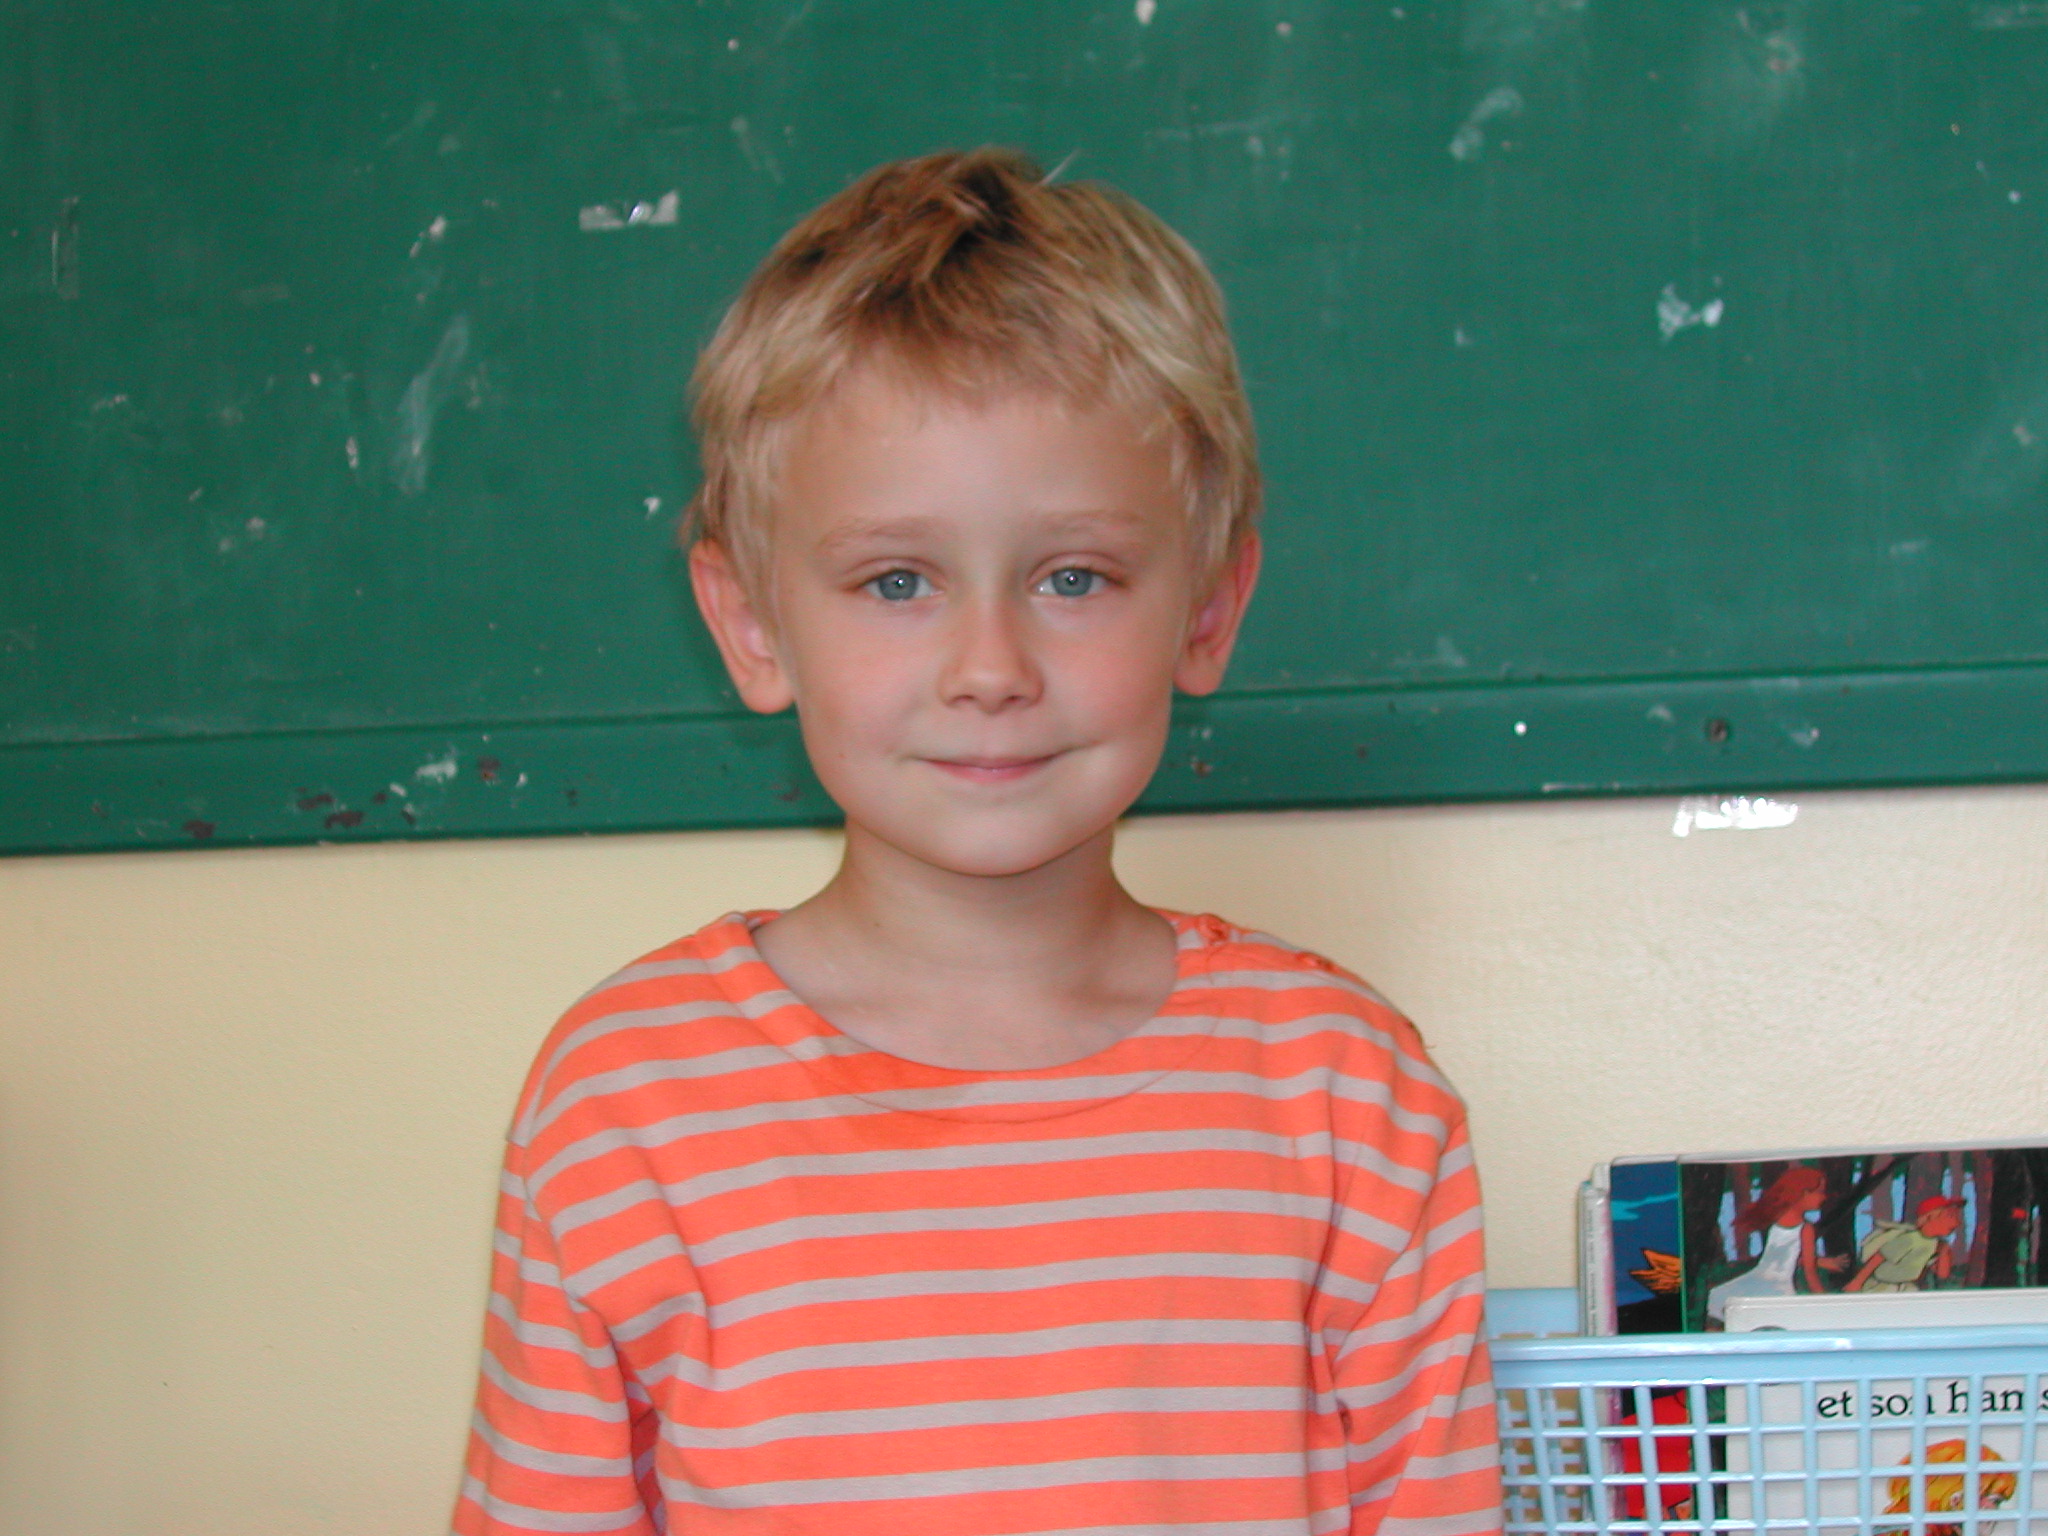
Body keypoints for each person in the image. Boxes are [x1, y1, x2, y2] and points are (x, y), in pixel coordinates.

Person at [450, 148, 1500, 1536]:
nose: (990, 667)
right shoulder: (626, 1108)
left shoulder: (1348, 1099)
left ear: (1206, 610)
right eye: (897, 580)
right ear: (752, 624)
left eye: (1074, 576)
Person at [1704, 1166, 1848, 1325]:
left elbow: (1784, 1256)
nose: (1823, 1197)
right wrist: (1825, 1301)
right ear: (1803, 1192)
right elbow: (1810, 1273)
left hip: (1759, 1279)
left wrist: (1821, 1262)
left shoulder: (1778, 1221)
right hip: (1778, 1287)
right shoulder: (1806, 1229)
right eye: (1819, 1191)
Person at [1847, 1195, 1965, 1293]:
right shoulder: (1910, 1238)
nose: (1957, 1222)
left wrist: (1944, 1253)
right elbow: (1878, 1258)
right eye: (1950, 1216)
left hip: (1906, 1287)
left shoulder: (1935, 1244)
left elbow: (1942, 1274)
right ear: (1930, 1217)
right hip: (1882, 1285)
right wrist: (1857, 1282)